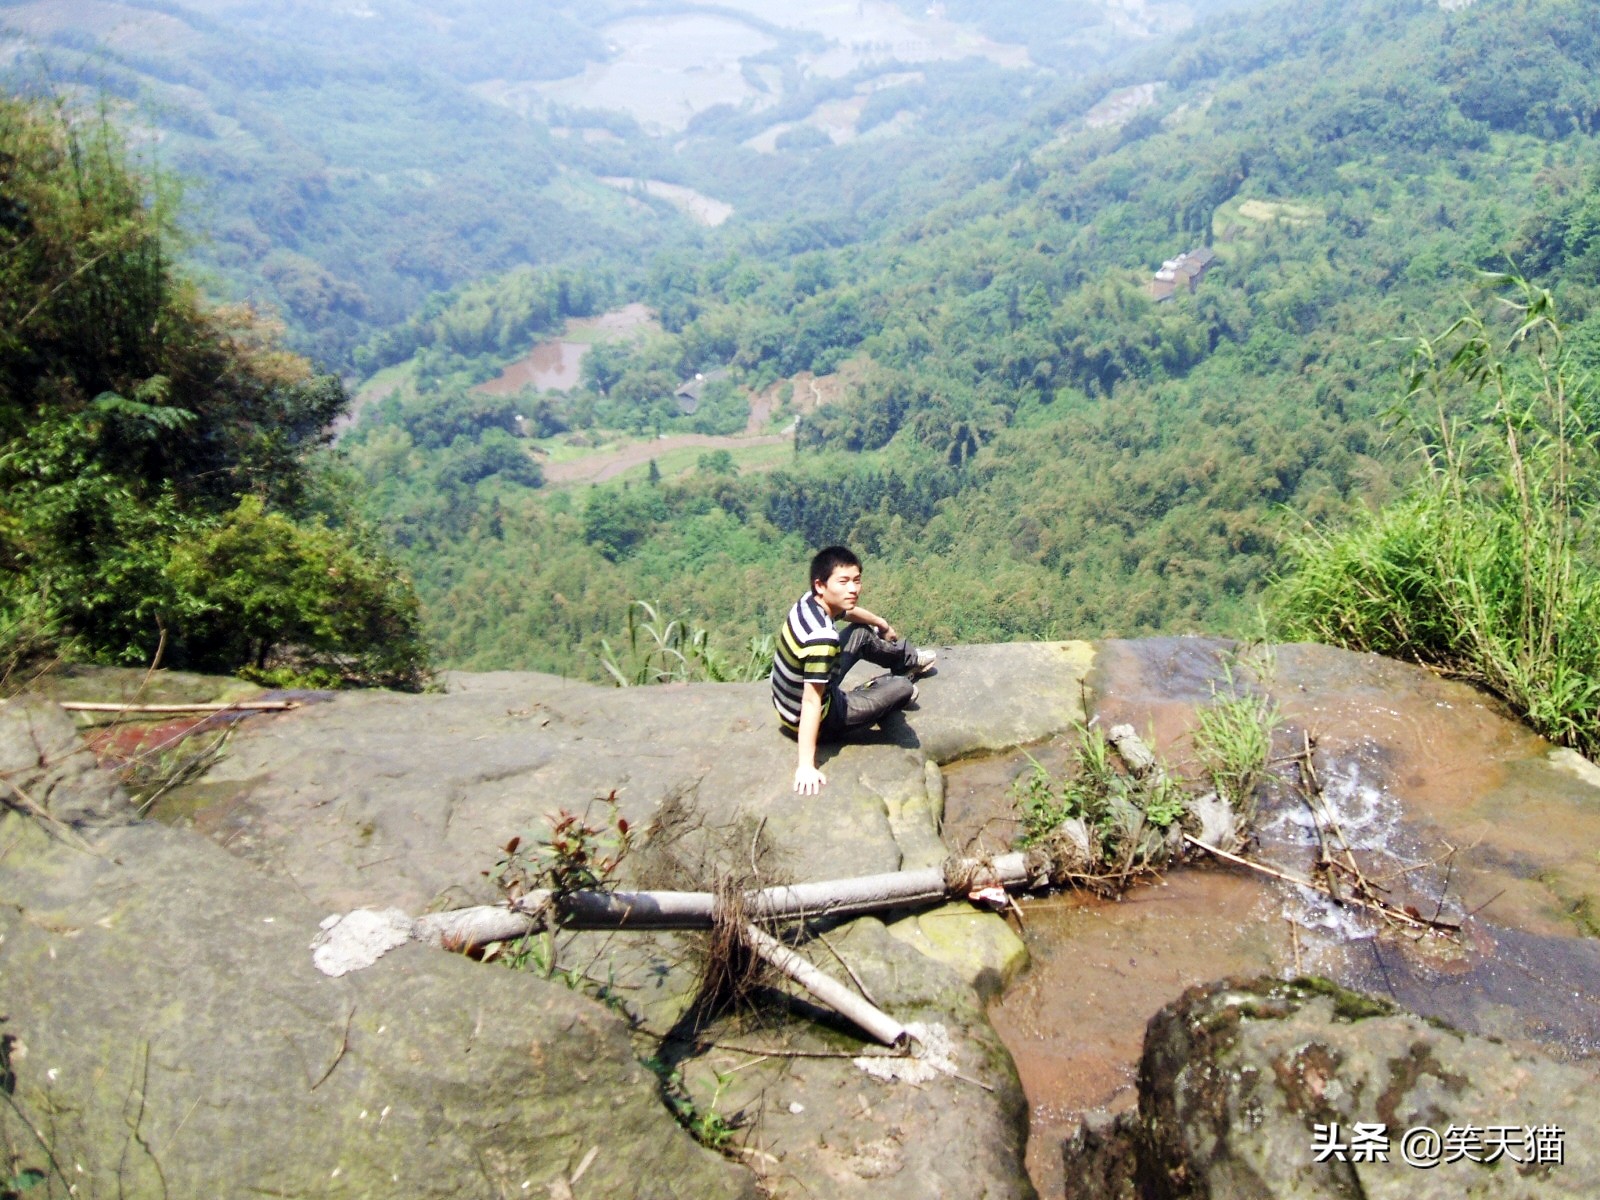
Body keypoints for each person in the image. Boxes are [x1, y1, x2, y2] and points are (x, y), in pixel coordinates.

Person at [771, 545, 936, 794]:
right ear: (821, 585)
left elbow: (849, 614)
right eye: (844, 581)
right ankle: (880, 685)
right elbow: (811, 701)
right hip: (817, 717)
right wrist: (805, 765)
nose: (853, 589)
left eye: (856, 580)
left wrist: (881, 624)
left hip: (787, 702)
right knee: (903, 687)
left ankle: (907, 659)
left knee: (862, 633)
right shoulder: (822, 639)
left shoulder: (809, 602)